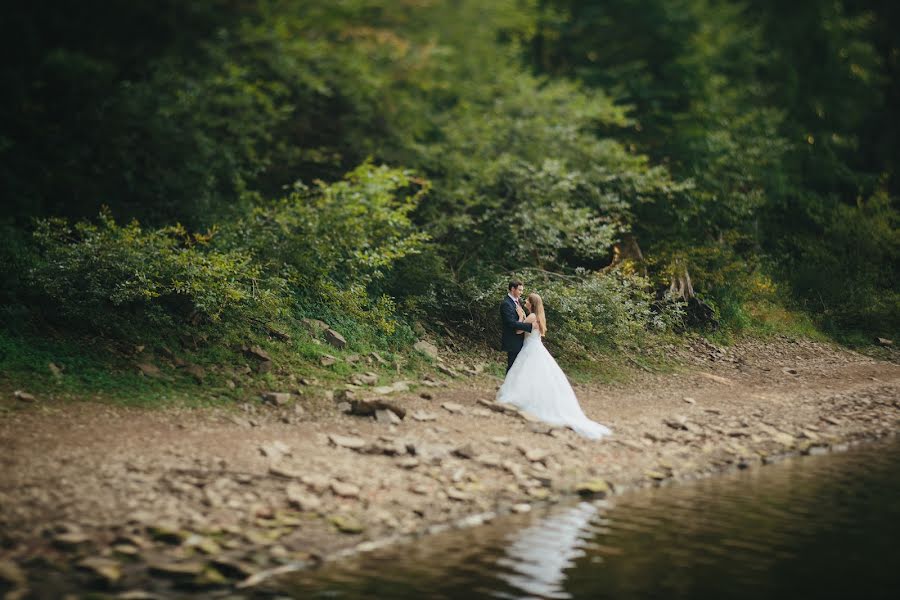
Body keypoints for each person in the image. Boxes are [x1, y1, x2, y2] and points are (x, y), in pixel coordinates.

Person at [497, 291, 612, 439]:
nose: (525, 302)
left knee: (526, 373)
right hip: (536, 347)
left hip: (529, 348)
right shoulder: (539, 317)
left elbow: (519, 330)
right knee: (537, 374)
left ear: (531, 304)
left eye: (527, 301)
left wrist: (520, 317)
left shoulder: (531, 316)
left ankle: (525, 398)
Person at [500, 280, 532, 373]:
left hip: (521, 340)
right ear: (513, 289)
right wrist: (530, 327)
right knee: (512, 367)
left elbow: (521, 319)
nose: (521, 293)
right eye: (520, 290)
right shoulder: (506, 304)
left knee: (518, 368)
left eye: (522, 290)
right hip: (513, 340)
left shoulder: (518, 302)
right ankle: (507, 386)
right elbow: (511, 323)